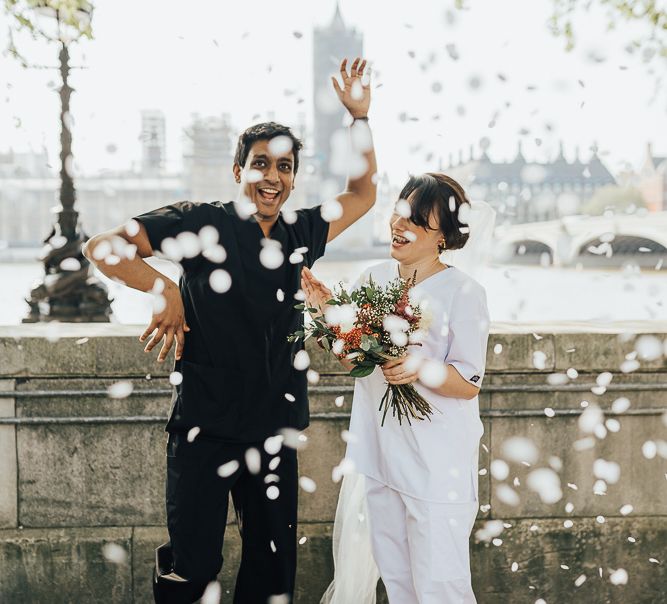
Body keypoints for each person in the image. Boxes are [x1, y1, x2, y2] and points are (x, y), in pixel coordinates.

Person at [83, 57, 376, 604]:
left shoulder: (301, 231)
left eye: (285, 168)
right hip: (204, 427)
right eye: (261, 164)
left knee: (272, 572)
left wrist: (359, 118)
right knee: (191, 568)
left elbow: (362, 196)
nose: (273, 178)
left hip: (274, 427)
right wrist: (164, 290)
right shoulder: (200, 222)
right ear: (238, 170)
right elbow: (102, 247)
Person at [302, 173, 494, 603]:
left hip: (436, 463)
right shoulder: (374, 276)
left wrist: (420, 368)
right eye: (399, 212)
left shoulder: (465, 292)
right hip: (381, 453)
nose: (399, 224)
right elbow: (354, 360)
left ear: (443, 236)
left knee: (441, 586)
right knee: (399, 581)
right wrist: (330, 317)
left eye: (418, 221)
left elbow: (468, 384)